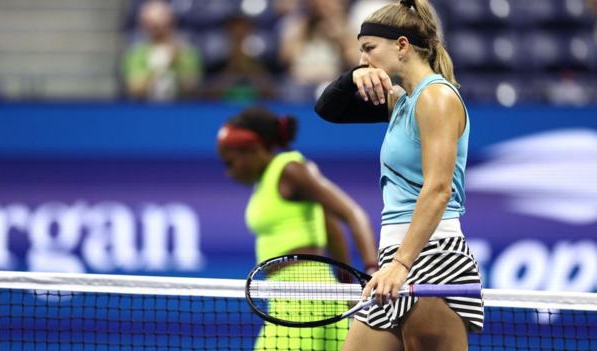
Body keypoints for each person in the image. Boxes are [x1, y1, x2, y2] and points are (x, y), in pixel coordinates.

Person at [314, 0, 484, 350]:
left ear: (402, 45)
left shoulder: (436, 97)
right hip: (397, 260)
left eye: (369, 49)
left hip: (432, 256)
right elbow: (327, 109)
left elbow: (438, 190)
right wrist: (353, 77)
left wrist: (401, 263)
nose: (363, 58)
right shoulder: (400, 100)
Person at [216, 106, 378, 350]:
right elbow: (330, 227)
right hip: (308, 293)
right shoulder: (268, 180)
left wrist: (371, 269)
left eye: (230, 162)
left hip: (301, 296)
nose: (229, 173)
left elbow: (353, 214)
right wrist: (344, 288)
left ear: (253, 149)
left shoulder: (289, 170)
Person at [123, 0, 202, 101]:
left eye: (162, 24)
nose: (157, 29)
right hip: (145, 109)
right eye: (152, 25)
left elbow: (192, 87)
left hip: (180, 108)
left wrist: (176, 62)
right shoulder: (136, 53)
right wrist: (160, 66)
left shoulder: (186, 51)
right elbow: (134, 89)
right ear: (143, 25)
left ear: (171, 22)